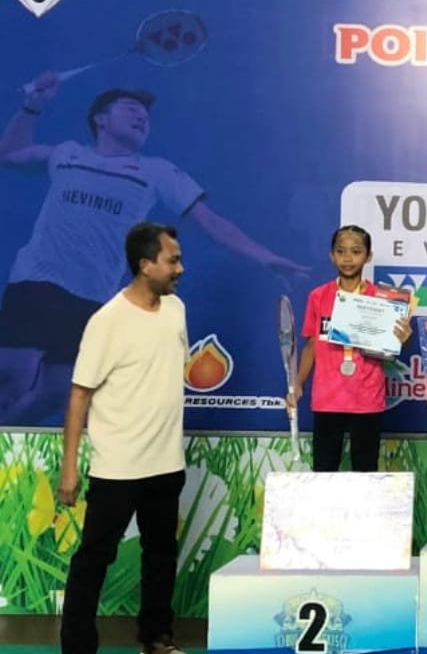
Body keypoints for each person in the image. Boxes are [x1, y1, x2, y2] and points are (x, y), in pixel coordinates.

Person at [0, 72, 309, 425]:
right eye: (130, 108)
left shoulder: (156, 172)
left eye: (145, 116)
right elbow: (8, 154)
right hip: (37, 282)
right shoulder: (67, 154)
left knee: (57, 392)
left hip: (92, 297)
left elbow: (212, 222)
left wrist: (266, 258)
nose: (141, 117)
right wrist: (32, 107)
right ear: (100, 119)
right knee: (12, 381)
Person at [57, 222, 196, 654]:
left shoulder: (176, 310)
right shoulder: (107, 321)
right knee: (93, 562)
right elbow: (79, 395)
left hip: (166, 461)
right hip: (117, 467)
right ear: (145, 265)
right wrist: (70, 468)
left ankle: (155, 641)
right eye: (172, 260)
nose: (180, 268)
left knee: (161, 554)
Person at [288, 225, 411, 472]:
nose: (347, 258)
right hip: (327, 397)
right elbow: (311, 345)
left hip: (367, 396)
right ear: (331, 255)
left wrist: (403, 338)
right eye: (341, 251)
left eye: (356, 251)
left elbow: (391, 348)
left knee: (365, 470)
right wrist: (298, 383)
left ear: (368, 256)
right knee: (324, 469)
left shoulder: (383, 299)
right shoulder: (318, 296)